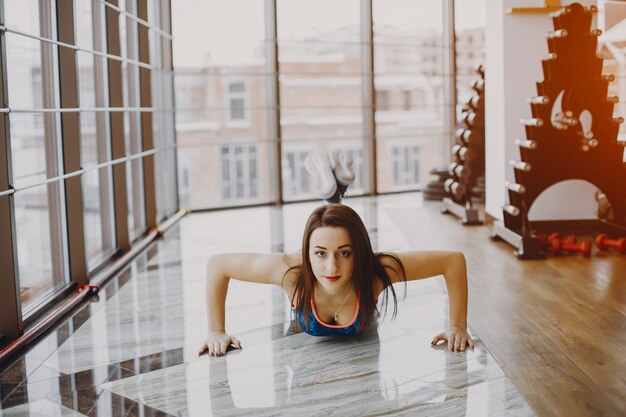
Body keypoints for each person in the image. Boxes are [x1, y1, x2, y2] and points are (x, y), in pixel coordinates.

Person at [198, 203, 475, 357]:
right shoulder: (290, 272)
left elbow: (452, 260)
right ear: (307, 253)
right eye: (320, 254)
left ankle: (336, 194)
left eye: (345, 253)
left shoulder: (377, 271)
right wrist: (216, 331)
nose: (331, 267)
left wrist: (457, 326)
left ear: (359, 253)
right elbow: (218, 265)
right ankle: (333, 194)